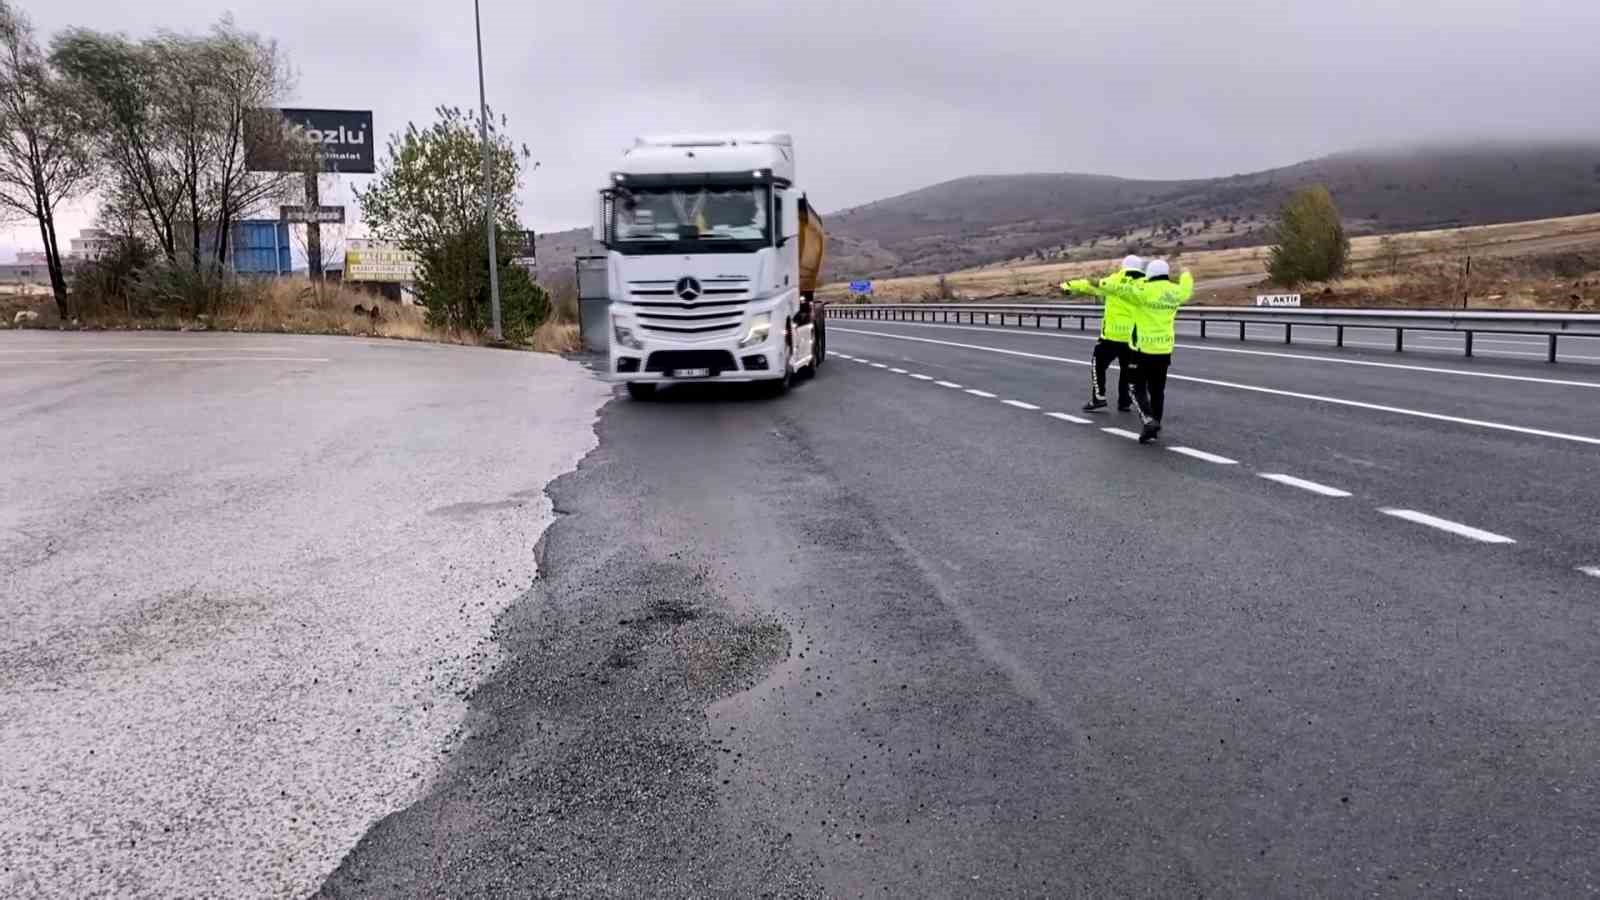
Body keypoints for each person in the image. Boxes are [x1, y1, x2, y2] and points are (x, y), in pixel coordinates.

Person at [1117, 259, 1193, 444]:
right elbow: (1187, 287)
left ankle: (1148, 420)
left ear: (1149, 274)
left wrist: (1105, 282)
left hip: (1142, 349)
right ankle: (1154, 425)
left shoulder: (1143, 291)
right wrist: (1185, 272)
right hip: (1164, 349)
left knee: (1134, 386)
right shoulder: (1175, 292)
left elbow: (1120, 290)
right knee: (1157, 390)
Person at [1062, 255, 1144, 412]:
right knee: (1127, 370)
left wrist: (1068, 285)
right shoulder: (1145, 284)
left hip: (1112, 336)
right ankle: (1125, 402)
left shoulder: (1113, 280)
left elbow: (1089, 285)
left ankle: (1098, 398)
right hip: (1134, 337)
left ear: (1123, 266)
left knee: (1098, 365)